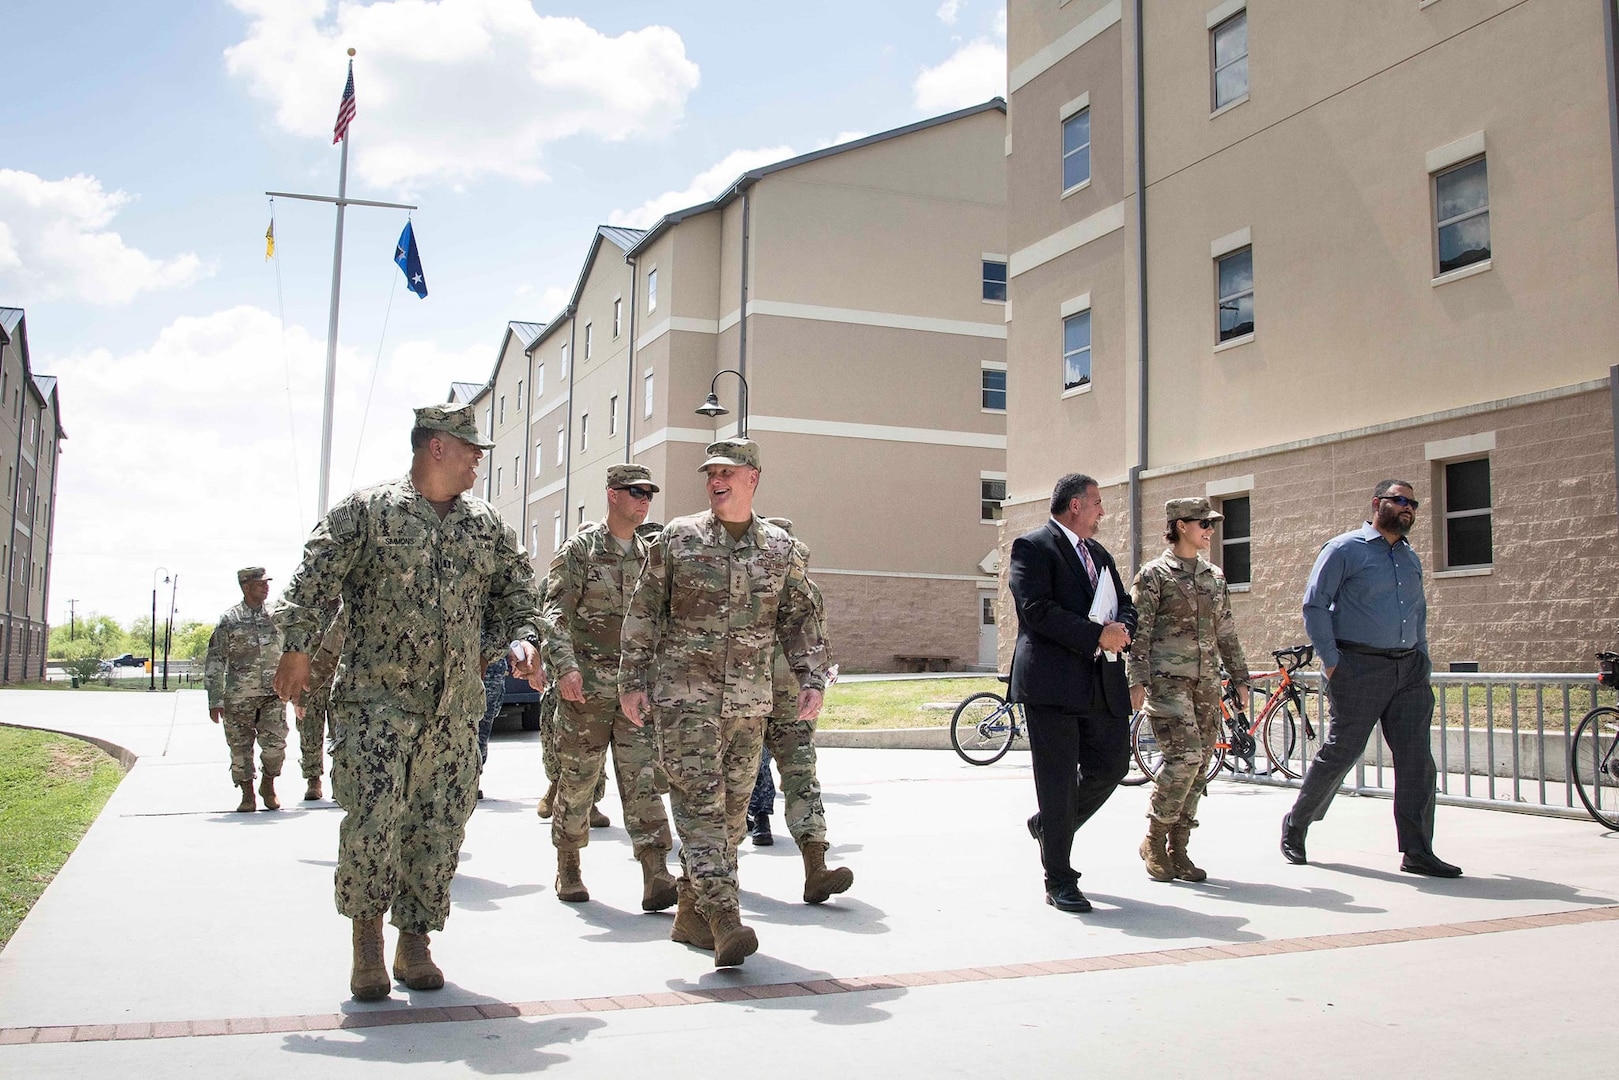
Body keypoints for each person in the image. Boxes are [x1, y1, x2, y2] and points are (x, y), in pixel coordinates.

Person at [271, 402, 548, 1002]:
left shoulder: (485, 526)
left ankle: (415, 939)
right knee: (373, 822)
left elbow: (518, 594)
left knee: (441, 824)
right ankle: (367, 942)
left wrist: (523, 640)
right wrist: (296, 647)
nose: (479, 458)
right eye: (471, 447)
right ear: (436, 447)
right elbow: (312, 581)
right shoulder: (367, 512)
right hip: (376, 704)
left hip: (456, 710)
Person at [619, 438, 830, 967]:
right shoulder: (678, 539)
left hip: (749, 703)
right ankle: (724, 917)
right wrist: (631, 680)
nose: (717, 480)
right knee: (700, 808)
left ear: (752, 478)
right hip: (684, 700)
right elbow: (644, 610)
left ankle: (690, 914)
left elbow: (801, 617)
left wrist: (812, 678)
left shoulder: (780, 548)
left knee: (735, 815)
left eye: (728, 472)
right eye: (711, 471)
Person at [1281, 479, 1461, 877]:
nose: (1409, 508)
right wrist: (1332, 662)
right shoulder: (1344, 549)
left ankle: (1417, 850)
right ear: (1378, 503)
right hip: (1359, 666)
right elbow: (1315, 606)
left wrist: (1423, 657)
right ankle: (1297, 824)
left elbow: (1418, 612)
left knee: (1417, 762)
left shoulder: (1409, 557)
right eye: (1400, 501)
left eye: (1413, 503)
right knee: (1342, 752)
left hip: (1409, 669)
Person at [543, 464, 677, 910]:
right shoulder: (579, 551)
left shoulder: (650, 556)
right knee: (578, 781)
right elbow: (554, 615)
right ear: (612, 495)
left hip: (635, 692)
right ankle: (569, 865)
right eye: (635, 492)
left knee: (643, 781)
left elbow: (662, 623)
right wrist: (564, 668)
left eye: (648, 494)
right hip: (585, 691)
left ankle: (656, 872)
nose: (643, 501)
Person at [1008, 473, 1136, 914]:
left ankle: (1049, 826)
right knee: (1058, 782)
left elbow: (1125, 604)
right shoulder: (1032, 548)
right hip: (1052, 684)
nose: (1104, 511)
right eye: (1098, 503)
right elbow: (1036, 610)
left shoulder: (1099, 554)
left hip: (1100, 683)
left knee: (1114, 765)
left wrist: (1123, 630)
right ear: (1076, 505)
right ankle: (1059, 878)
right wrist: (1096, 635)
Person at [1127, 498, 1250, 882]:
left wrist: (1240, 678)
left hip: (1206, 683)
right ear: (1181, 525)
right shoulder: (1154, 575)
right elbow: (1139, 633)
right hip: (1168, 682)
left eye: (1211, 524)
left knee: (1200, 769)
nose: (1210, 530)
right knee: (1186, 759)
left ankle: (1178, 849)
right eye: (1203, 524)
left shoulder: (1214, 576)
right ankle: (1154, 838)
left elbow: (1225, 630)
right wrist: (1136, 680)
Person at [743, 516, 852, 903]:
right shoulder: (742, 586)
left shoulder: (807, 592)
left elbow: (818, 642)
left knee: (802, 779)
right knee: (731, 788)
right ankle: (711, 881)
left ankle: (816, 868)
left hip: (791, 701)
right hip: (743, 702)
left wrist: (816, 683)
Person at [204, 567, 287, 813]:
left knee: (276, 746)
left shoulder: (277, 614)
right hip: (238, 696)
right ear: (246, 586)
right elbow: (216, 660)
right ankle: (247, 793)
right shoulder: (229, 620)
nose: (266, 586)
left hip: (273, 694)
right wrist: (214, 699)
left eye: (267, 582)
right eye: (260, 583)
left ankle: (268, 784)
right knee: (240, 748)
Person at [294, 606, 345, 802]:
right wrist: (302, 693)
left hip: (339, 684)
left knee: (341, 735)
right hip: (312, 682)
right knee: (309, 733)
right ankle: (313, 780)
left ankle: (339, 782)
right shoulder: (307, 609)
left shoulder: (344, 603)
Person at [476, 653, 508, 801]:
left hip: (492, 672)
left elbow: (501, 635)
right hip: (466, 669)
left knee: (483, 729)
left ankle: (474, 778)